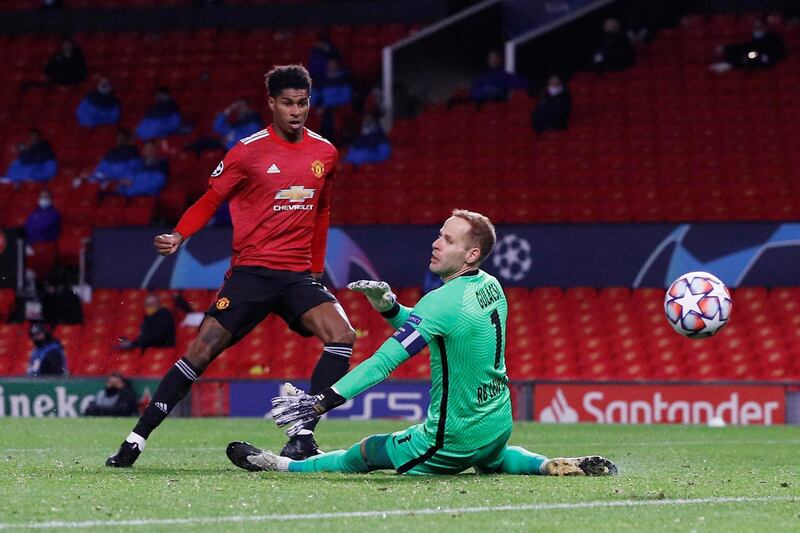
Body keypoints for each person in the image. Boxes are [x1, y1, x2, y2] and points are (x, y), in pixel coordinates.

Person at [226, 210, 617, 478]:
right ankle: (543, 464)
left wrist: (320, 401)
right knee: (493, 458)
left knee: (369, 451)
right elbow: (440, 326)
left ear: (471, 253)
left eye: (447, 239)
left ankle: (281, 465)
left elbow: (383, 363)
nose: (435, 243)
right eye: (438, 234)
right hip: (497, 424)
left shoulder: (440, 302)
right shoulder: (490, 286)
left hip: (453, 438)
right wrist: (391, 306)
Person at [105, 64, 353, 468]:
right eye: (287, 103)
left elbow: (322, 210)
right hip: (251, 272)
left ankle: (303, 436)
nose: (296, 111)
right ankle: (136, 439)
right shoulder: (247, 151)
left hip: (295, 276)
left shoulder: (324, 152)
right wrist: (180, 235)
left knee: (341, 334)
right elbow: (209, 200)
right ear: (271, 104)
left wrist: (316, 266)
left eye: (303, 103)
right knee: (201, 352)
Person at [711, 16, 786, 73]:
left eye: (759, 27)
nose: (757, 29)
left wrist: (769, 56)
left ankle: (730, 64)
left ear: (764, 27)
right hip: (754, 56)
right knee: (748, 54)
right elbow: (744, 47)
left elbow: (779, 51)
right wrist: (725, 48)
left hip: (766, 60)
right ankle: (730, 64)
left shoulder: (773, 38)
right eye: (756, 27)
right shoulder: (754, 38)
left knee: (751, 55)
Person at [24, 190, 61, 281]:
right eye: (41, 197)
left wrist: (33, 233)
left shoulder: (54, 214)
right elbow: (27, 226)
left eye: (45, 197)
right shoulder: (34, 213)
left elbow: (44, 227)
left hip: (46, 245)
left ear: (51, 199)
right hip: (31, 244)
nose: (43, 199)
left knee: (43, 269)